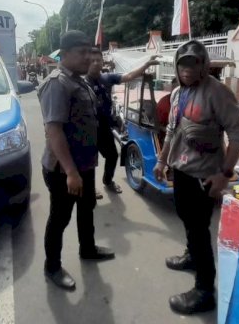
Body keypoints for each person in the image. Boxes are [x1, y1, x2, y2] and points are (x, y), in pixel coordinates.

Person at [153, 40, 239, 315]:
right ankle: (192, 256)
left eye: (194, 63)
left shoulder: (218, 93)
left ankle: (205, 290)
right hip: (181, 170)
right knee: (186, 219)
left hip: (206, 176)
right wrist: (162, 161)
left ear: (204, 65)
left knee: (199, 229)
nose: (187, 69)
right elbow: (172, 130)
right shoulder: (176, 94)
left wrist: (224, 175)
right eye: (182, 63)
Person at [37, 30, 115, 291]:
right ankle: (52, 267)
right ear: (65, 54)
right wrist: (71, 172)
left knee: (86, 208)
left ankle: (88, 248)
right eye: (82, 53)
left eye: (90, 52)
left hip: (84, 164)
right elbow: (54, 130)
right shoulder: (57, 83)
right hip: (64, 169)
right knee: (60, 218)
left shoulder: (79, 81)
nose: (88, 58)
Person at [86, 49, 160, 199]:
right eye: (91, 60)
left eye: (97, 60)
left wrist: (146, 65)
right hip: (87, 129)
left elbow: (130, 75)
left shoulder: (107, 78)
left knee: (112, 155)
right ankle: (89, 189)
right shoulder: (82, 82)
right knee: (89, 162)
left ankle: (108, 181)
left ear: (102, 62)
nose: (95, 63)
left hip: (105, 127)